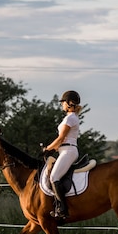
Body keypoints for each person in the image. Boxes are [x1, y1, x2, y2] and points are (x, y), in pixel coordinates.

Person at [44, 90, 82, 219]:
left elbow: (61, 138)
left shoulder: (71, 118)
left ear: (69, 103)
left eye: (63, 103)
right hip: (65, 150)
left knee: (54, 177)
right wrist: (53, 149)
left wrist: (47, 149)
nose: (62, 105)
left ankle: (62, 210)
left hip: (68, 151)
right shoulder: (71, 117)